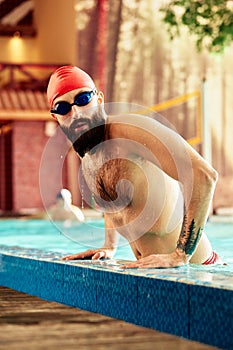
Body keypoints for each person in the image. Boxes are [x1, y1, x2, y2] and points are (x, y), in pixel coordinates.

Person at [46, 65, 223, 268]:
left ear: (99, 100)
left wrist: (181, 254)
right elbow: (113, 204)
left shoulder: (130, 132)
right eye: (63, 107)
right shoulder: (89, 157)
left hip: (197, 269)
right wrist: (109, 246)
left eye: (83, 99)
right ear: (56, 117)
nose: (75, 112)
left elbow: (204, 175)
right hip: (153, 272)